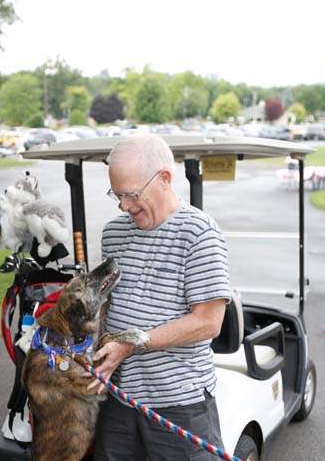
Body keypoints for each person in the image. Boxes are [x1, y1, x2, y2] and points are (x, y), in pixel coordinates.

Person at [90, 134, 231, 461]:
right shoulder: (113, 232)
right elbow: (106, 306)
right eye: (117, 195)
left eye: (131, 194)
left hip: (179, 405)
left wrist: (129, 343)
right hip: (119, 399)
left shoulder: (200, 234)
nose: (124, 206)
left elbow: (208, 323)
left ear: (165, 179)